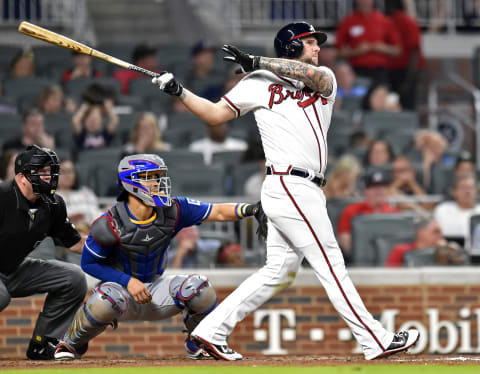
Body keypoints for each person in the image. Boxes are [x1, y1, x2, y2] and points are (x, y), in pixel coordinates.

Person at [151, 21, 419, 361]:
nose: (317, 48)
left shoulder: (324, 78)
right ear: (291, 47)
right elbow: (216, 115)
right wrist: (179, 91)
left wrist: (259, 61)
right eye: (309, 43)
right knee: (331, 264)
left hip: (306, 187)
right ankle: (375, 339)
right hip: (288, 183)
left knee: (279, 272)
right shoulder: (257, 82)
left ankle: (209, 330)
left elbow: (313, 76)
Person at [53, 153, 264, 360]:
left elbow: (217, 212)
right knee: (104, 299)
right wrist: (128, 281)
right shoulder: (108, 222)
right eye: (151, 177)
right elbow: (89, 264)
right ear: (131, 182)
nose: (158, 182)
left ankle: (197, 342)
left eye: (158, 176)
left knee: (200, 288)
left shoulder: (173, 209)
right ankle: (71, 342)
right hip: (119, 293)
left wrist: (252, 209)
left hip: (156, 288)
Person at [0, 145, 87, 360]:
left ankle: (44, 343)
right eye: (42, 171)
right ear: (21, 177)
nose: (49, 177)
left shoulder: (54, 204)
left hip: (13, 269)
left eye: (50, 171)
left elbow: (75, 244)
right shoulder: (2, 196)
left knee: (73, 277)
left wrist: (114, 250)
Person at [335, 0, 401, 85]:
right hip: (357, 71)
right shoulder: (348, 22)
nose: (365, 2)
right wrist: (356, 51)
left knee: (380, 96)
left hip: (380, 71)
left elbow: (398, 51)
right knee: (359, 96)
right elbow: (338, 53)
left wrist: (383, 48)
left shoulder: (384, 21)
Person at [338, 170, 399, 257]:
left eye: (383, 186)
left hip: (389, 262)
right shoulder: (352, 211)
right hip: (360, 261)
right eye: (373, 186)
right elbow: (345, 241)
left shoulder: (396, 214)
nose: (379, 190)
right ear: (365, 191)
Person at [385, 0, 425, 110]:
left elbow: (414, 51)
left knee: (399, 103)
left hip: (404, 70)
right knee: (404, 104)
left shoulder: (401, 22)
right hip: (398, 70)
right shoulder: (407, 22)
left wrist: (408, 80)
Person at [386, 217, 468, 267]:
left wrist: (451, 255)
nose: (441, 235)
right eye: (436, 231)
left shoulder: (448, 251)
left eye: (441, 232)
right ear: (421, 231)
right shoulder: (401, 250)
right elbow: (390, 276)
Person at [433, 174, 480, 247]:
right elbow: (435, 236)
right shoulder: (442, 210)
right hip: (447, 253)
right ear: (454, 191)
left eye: (471, 187)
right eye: (463, 187)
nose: (467, 191)